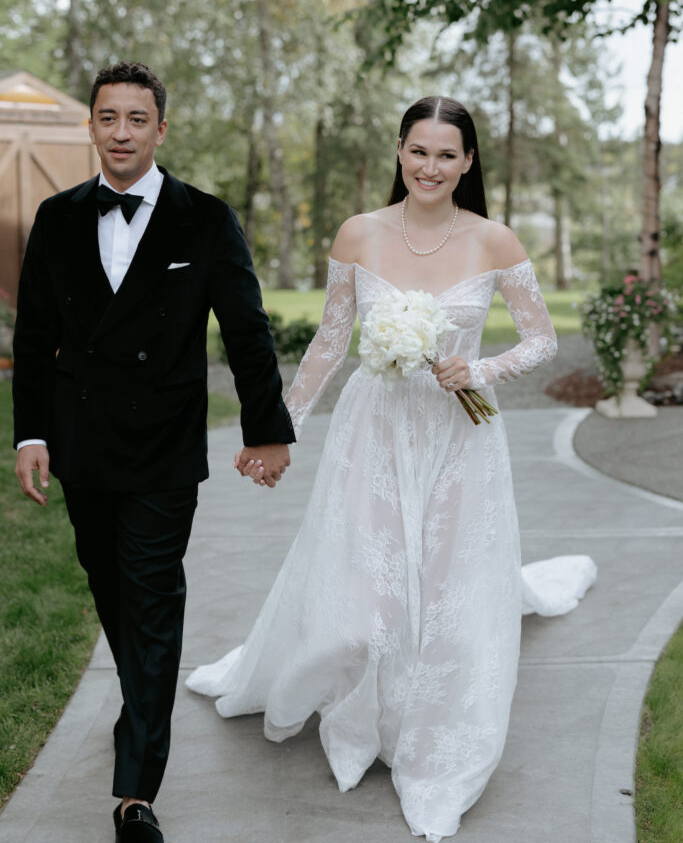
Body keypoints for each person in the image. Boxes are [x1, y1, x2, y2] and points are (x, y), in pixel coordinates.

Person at [187, 96, 596, 842]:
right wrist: (278, 430)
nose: (430, 166)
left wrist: (479, 367)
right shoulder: (359, 233)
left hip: (457, 437)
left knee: (447, 592)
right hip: (371, 436)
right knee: (364, 596)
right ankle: (359, 718)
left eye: (446, 154)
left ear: (468, 162)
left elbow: (540, 341)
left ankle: (434, 742)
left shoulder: (494, 239)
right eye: (417, 151)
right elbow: (328, 344)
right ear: (398, 152)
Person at [12, 61, 294, 842]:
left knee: (151, 599)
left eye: (138, 119)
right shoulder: (57, 218)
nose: (122, 132)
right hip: (82, 445)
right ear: (91, 127)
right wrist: (30, 434)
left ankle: (135, 791)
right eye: (109, 118)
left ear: (160, 130)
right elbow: (34, 342)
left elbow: (246, 331)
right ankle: (140, 720)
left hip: (164, 448)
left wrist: (265, 430)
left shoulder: (204, 219)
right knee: (113, 593)